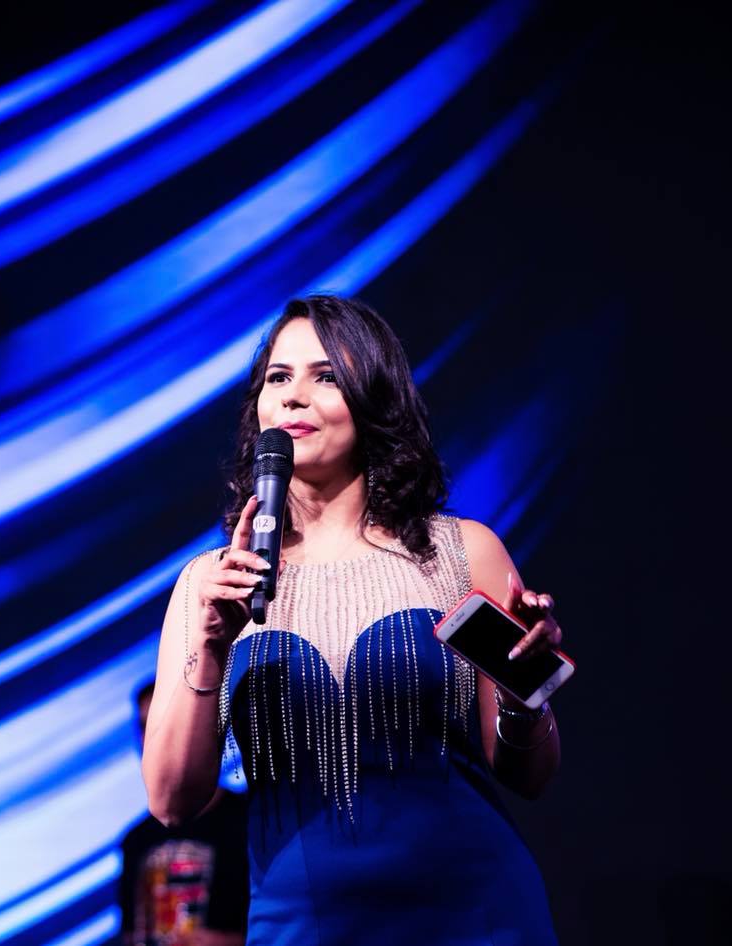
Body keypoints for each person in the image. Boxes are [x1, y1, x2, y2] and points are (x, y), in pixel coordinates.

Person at [142, 294, 565, 945]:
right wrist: (211, 644)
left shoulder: (462, 553)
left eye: (326, 376)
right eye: (278, 378)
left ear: (373, 398)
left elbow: (530, 776)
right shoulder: (212, 582)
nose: (294, 396)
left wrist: (523, 698)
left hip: (476, 915)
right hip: (304, 926)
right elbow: (172, 803)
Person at [119, 681, 249, 946]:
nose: (148, 740)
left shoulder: (252, 821)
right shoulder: (136, 840)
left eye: (158, 723)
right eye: (143, 726)